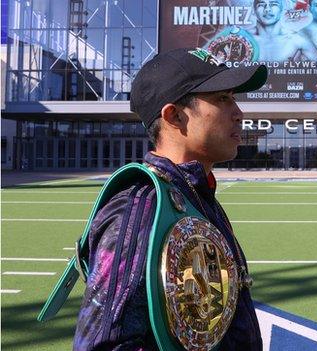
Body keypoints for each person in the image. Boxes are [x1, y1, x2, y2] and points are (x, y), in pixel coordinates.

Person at [72, 48, 268, 350]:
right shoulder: (140, 208)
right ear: (174, 115)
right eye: (222, 99)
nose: (239, 113)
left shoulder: (195, 194)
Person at [252, 0, 317, 61]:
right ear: (254, 10)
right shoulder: (246, 41)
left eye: (274, 4)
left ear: (282, 9)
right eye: (261, 5)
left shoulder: (296, 40)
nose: (267, 9)